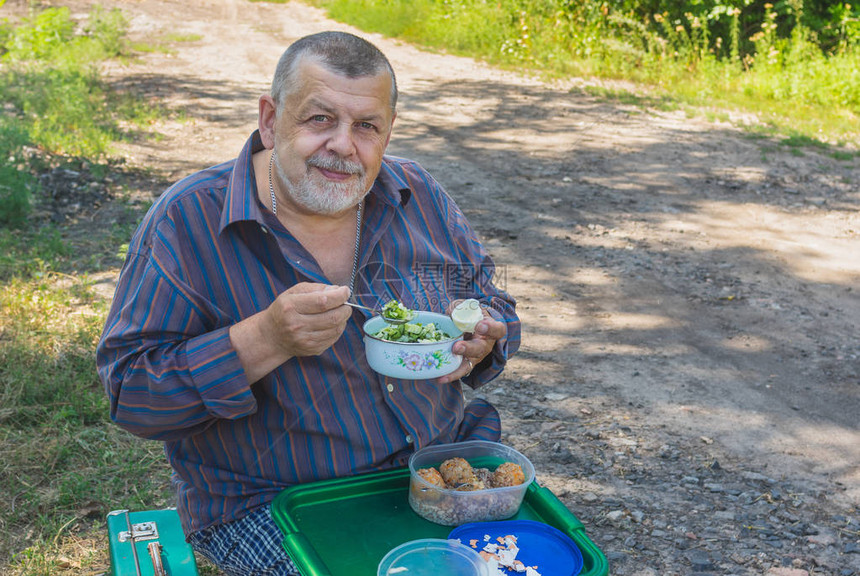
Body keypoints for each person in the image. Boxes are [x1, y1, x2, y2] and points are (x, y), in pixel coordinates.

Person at [97, 31, 520, 575]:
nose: (344, 145)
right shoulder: (186, 222)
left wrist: (485, 337)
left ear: (387, 134)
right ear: (271, 120)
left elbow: (491, 299)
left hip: (440, 467)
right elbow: (133, 395)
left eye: (366, 126)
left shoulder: (418, 193)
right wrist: (263, 340)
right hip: (271, 503)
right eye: (319, 119)